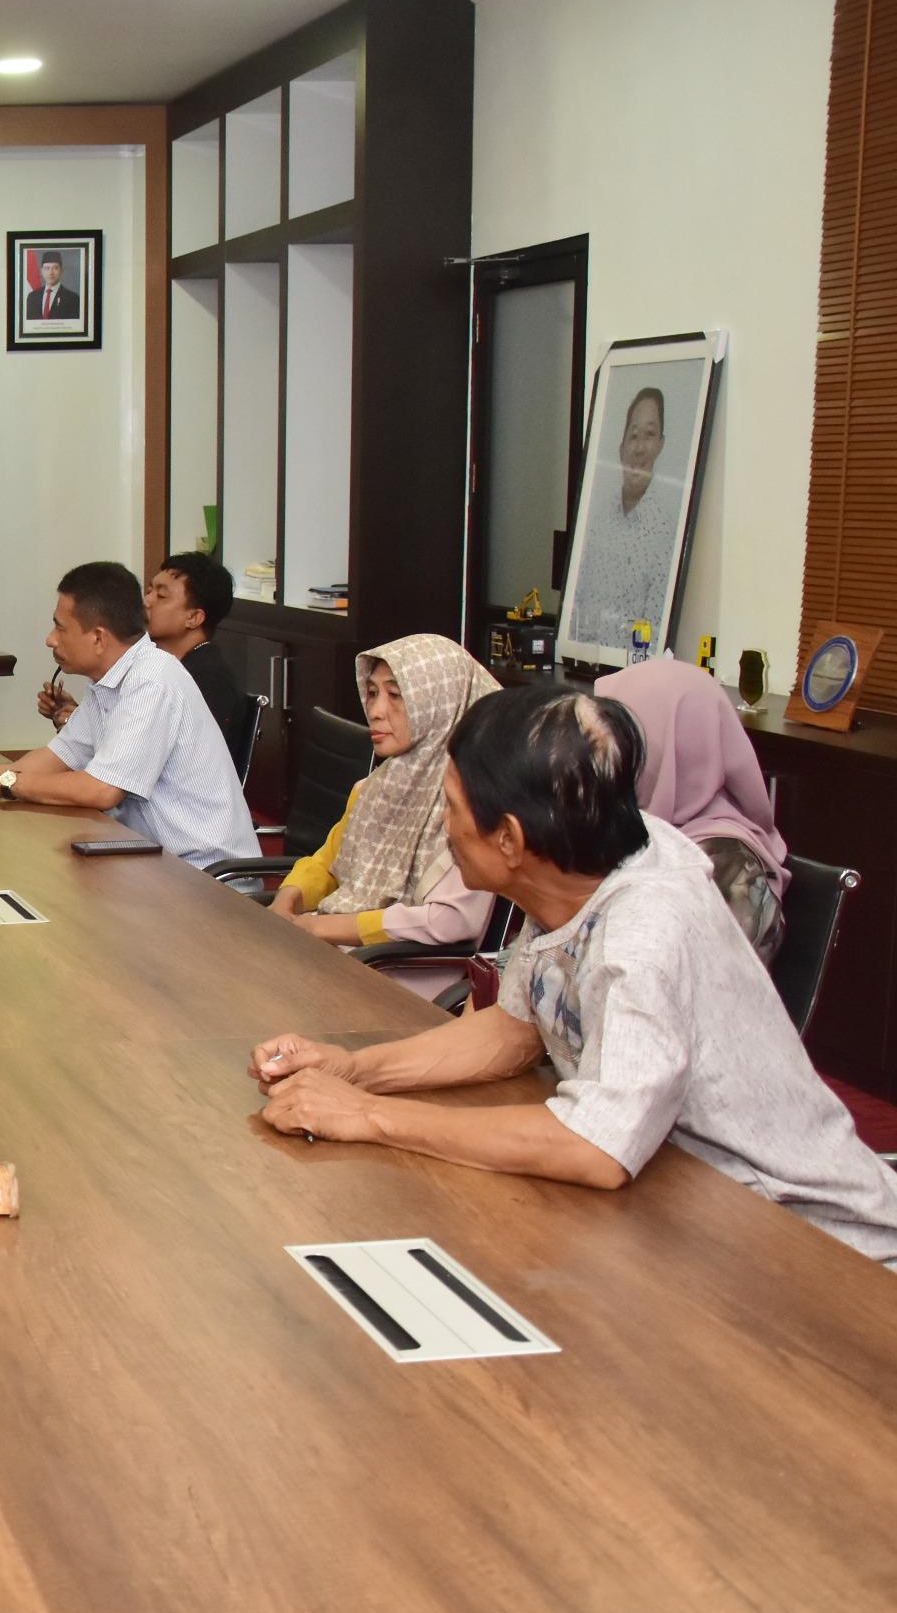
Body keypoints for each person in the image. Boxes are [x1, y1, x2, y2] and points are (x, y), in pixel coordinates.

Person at [251, 686, 897, 1269]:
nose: (444, 826)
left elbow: (596, 1147)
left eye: (450, 806)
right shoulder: (575, 856)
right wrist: (354, 1070)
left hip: (812, 1246)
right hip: (684, 1202)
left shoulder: (647, 926)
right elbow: (514, 1030)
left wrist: (370, 1116)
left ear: (509, 839)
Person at [0, 561, 257, 869]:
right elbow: (59, 755)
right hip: (149, 860)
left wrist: (1, 781)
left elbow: (102, 790)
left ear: (99, 637)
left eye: (60, 627)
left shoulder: (152, 680)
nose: (50, 639)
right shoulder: (108, 682)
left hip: (205, 877)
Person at [269, 634, 499, 951]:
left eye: (396, 695)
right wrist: (287, 898)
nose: (376, 711)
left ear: (440, 703)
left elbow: (450, 920)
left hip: (393, 967)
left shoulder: (472, 804)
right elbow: (329, 863)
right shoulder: (374, 787)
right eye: (373, 693)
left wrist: (323, 926)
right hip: (334, 948)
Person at [598, 657, 790, 963]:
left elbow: (662, 977)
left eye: (610, 739)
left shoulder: (726, 867)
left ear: (671, 748)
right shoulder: (624, 823)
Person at [39, 550, 242, 748]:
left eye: (161, 596)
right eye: (149, 591)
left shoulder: (208, 679)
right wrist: (81, 719)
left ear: (194, 618)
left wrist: (74, 723)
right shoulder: (144, 663)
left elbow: (142, 752)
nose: (146, 601)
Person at [567, 386, 682, 650]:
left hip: (635, 671)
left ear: (660, 445)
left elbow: (654, 637)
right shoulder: (595, 524)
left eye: (649, 435)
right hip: (583, 665)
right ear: (621, 448)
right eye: (633, 435)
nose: (639, 448)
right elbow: (574, 611)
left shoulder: (667, 532)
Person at [25, 252, 81, 323]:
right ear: (41, 271)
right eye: (47, 268)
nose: (51, 273)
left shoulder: (73, 299)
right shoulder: (32, 297)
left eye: (55, 268)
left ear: (61, 270)